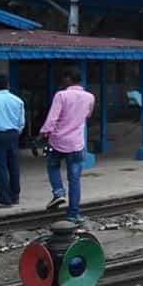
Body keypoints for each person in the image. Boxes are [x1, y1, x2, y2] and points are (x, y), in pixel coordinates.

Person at [40, 68, 94, 223]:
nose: (63, 82)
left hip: (57, 141)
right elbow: (87, 115)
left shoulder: (61, 95)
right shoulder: (90, 97)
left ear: (69, 78)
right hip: (77, 143)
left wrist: (43, 133)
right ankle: (73, 214)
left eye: (64, 78)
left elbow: (52, 118)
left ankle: (58, 193)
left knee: (52, 166)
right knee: (75, 180)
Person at [0, 74, 23, 208]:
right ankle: (15, 196)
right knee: (14, 165)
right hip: (13, 134)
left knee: (0, 167)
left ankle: (4, 198)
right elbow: (21, 122)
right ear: (8, 85)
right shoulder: (17, 100)